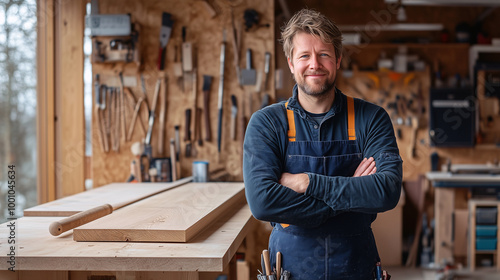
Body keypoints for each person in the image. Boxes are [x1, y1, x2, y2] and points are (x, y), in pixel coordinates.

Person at [243, 8, 403, 280]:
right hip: (292, 270)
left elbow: (387, 191)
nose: (314, 64)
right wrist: (349, 194)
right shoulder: (267, 123)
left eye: (324, 54)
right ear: (291, 63)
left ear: (338, 59)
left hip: (357, 267)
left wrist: (307, 182)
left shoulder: (371, 118)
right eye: (304, 55)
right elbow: (262, 203)